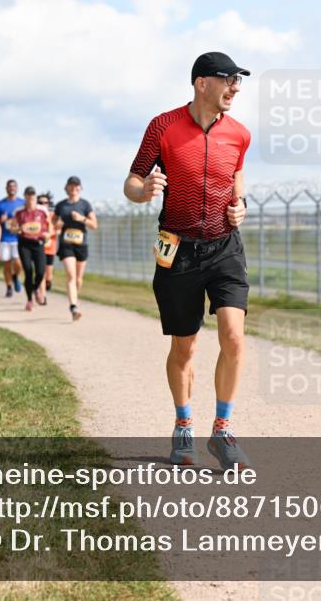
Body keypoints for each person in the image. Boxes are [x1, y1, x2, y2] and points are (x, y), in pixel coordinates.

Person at [124, 52, 252, 470]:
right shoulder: (162, 126)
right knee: (186, 345)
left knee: (234, 336)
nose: (235, 88)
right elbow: (133, 179)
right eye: (228, 79)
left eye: (238, 81)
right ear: (202, 83)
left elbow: (238, 186)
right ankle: (183, 424)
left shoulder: (240, 134)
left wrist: (241, 208)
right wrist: (142, 191)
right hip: (177, 249)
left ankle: (222, 429)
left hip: (224, 246)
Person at [54, 176, 96, 321]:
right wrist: (57, 226)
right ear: (66, 187)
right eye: (71, 186)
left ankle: (75, 299)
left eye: (76, 186)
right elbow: (53, 222)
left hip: (81, 244)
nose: (73, 188)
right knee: (71, 275)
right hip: (66, 244)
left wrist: (82, 219)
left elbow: (94, 225)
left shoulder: (85, 205)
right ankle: (73, 307)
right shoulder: (61, 206)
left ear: (80, 188)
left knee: (78, 278)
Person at [14, 186, 51, 311]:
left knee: (41, 271)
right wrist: (16, 229)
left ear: (35, 198)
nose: (31, 198)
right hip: (24, 244)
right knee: (28, 271)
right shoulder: (19, 211)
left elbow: (50, 225)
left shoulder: (43, 211)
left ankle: (35, 289)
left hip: (38, 243)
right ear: (25, 197)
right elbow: (12, 226)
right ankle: (29, 299)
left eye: (33, 196)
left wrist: (48, 234)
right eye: (28, 196)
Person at [0, 179, 25, 298]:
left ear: (17, 188)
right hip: (4, 238)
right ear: (6, 188)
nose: (12, 188)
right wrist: (0, 220)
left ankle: (16, 276)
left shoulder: (22, 203)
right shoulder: (0, 204)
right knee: (6, 264)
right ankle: (9, 286)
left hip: (18, 238)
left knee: (18, 263)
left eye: (14, 186)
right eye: (9, 186)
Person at [37, 192, 56, 304]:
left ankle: (48, 283)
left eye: (46, 203)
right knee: (40, 273)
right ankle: (43, 296)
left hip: (50, 248)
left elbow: (59, 229)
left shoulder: (53, 216)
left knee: (48, 275)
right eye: (40, 202)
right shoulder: (35, 216)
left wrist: (51, 233)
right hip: (38, 249)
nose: (43, 204)